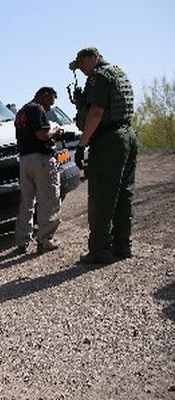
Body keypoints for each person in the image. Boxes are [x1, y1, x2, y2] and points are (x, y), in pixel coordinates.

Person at [69, 47, 138, 264]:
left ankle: (100, 250)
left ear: (93, 57)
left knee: (102, 195)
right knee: (123, 194)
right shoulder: (118, 72)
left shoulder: (100, 76)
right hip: (127, 135)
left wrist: (82, 144)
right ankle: (122, 245)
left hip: (108, 140)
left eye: (81, 64)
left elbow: (96, 113)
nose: (81, 70)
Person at [14, 87, 64, 254]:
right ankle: (45, 240)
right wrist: (55, 132)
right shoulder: (36, 108)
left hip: (24, 160)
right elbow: (41, 135)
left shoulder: (21, 112)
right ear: (44, 96)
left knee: (26, 202)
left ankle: (22, 241)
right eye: (50, 103)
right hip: (40, 159)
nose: (49, 108)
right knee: (48, 199)